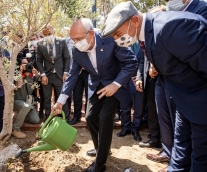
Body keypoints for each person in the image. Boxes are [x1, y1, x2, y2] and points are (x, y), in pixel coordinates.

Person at [102, 1, 207, 171]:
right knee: (181, 150)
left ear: (134, 20)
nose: (117, 40)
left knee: (200, 157)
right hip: (183, 102)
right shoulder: (147, 34)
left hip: (201, 105)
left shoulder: (170, 27)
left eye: (118, 33)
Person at [52, 17, 137, 171]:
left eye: (79, 38)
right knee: (90, 117)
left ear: (91, 33)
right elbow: (72, 75)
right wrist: (60, 100)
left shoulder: (110, 38)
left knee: (105, 119)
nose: (76, 43)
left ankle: (100, 164)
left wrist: (115, 84)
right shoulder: (76, 50)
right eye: (73, 39)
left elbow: (131, 62)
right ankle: (101, 150)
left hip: (116, 85)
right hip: (97, 86)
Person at [146, 1, 207, 171]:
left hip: (195, 92)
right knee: (177, 131)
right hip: (172, 84)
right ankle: (171, 157)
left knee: (198, 147)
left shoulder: (201, 10)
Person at [36, 25, 70, 121]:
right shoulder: (40, 44)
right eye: (45, 34)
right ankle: (48, 119)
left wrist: (65, 72)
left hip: (60, 75)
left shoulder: (62, 42)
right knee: (46, 98)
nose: (48, 36)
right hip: (47, 76)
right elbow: (39, 60)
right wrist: (43, 75)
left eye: (49, 34)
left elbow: (67, 58)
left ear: (54, 32)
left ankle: (65, 119)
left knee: (62, 97)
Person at [12, 58, 40, 138]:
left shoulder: (32, 77)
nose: (26, 65)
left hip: (27, 103)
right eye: (24, 64)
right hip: (17, 102)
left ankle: (20, 114)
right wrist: (21, 72)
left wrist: (36, 72)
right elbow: (19, 85)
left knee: (36, 120)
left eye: (27, 64)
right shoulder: (17, 75)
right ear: (20, 65)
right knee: (26, 106)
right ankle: (15, 129)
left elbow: (41, 79)